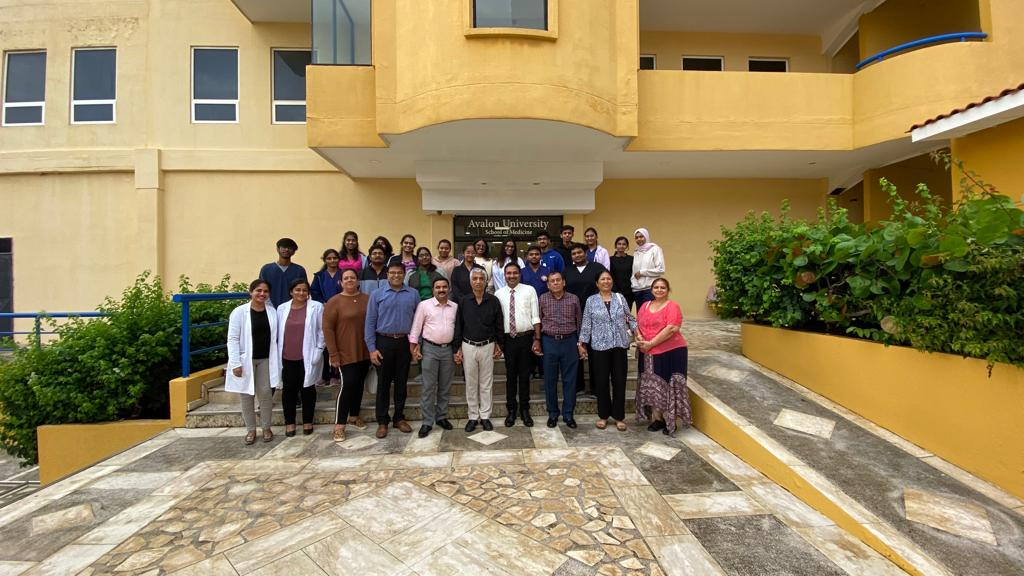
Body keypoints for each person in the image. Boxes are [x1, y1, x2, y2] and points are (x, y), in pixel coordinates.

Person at [365, 261, 420, 438]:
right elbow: (370, 323)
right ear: (387, 275)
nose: (396, 276)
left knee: (401, 383)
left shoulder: (413, 294)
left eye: (399, 273)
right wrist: (372, 348)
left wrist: (415, 344)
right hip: (383, 342)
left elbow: (418, 322)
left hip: (404, 342)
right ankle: (382, 421)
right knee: (383, 384)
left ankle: (399, 418)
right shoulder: (377, 294)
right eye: (393, 273)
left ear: (404, 275)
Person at [578, 271, 636, 431]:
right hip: (599, 347)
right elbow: (586, 323)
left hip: (619, 345)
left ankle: (619, 416)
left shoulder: (620, 297)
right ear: (597, 283)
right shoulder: (591, 300)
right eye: (602, 279)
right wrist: (582, 343)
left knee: (619, 381)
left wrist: (638, 333)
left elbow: (630, 318)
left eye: (608, 278)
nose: (606, 281)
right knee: (601, 382)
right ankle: (603, 415)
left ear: (612, 281)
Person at [226, 279, 281, 444]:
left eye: (265, 291)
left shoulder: (272, 312)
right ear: (251, 292)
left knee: (265, 394)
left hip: (265, 359)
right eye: (258, 291)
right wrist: (236, 363)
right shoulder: (239, 312)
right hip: (246, 359)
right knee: (246, 395)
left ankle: (266, 427)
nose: (262, 294)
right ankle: (250, 430)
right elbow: (233, 338)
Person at [635, 277, 691, 436]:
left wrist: (651, 343)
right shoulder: (645, 305)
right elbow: (637, 325)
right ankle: (657, 419)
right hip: (647, 352)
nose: (659, 290)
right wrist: (639, 338)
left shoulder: (672, 306)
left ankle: (670, 420)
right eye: (656, 287)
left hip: (670, 351)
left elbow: (672, 328)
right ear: (651, 290)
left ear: (668, 290)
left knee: (667, 386)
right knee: (653, 387)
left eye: (663, 288)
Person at [453, 267, 504, 432]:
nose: (478, 282)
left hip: (488, 345)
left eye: (481, 279)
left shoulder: (493, 301)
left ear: (486, 281)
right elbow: (458, 326)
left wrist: (499, 344)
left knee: (486, 383)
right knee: (471, 383)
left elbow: (498, 325)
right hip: (468, 345)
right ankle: (473, 416)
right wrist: (457, 348)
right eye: (474, 279)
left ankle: (485, 416)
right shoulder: (463, 301)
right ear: (470, 281)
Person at [324, 269, 370, 442]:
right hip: (345, 352)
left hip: (365, 350)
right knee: (348, 385)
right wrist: (333, 354)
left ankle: (354, 416)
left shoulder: (367, 299)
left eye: (352, 277)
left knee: (359, 384)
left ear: (358, 281)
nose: (349, 280)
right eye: (346, 278)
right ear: (340, 282)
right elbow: (328, 329)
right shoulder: (334, 302)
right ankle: (339, 425)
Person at [409, 277, 458, 438]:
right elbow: (416, 327)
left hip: (448, 350)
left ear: (449, 289)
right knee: (428, 387)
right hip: (430, 349)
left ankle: (441, 417)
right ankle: (427, 421)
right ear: (433, 289)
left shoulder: (455, 307)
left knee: (445, 386)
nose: (441, 290)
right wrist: (414, 346)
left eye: (444, 287)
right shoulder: (424, 306)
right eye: (438, 287)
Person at [276, 278, 325, 437]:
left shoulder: (316, 307)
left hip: (308, 356)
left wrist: (319, 349)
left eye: (304, 290)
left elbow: (321, 330)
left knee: (308, 389)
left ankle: (307, 421)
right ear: (291, 291)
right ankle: (289, 422)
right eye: (297, 290)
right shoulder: (282, 308)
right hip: (287, 356)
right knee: (289, 390)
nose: (301, 293)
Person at [533, 272, 582, 429]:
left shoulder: (574, 299)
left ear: (564, 282)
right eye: (552, 281)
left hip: (570, 341)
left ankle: (568, 414)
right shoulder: (543, 299)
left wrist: (581, 343)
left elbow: (579, 322)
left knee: (570, 380)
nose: (555, 283)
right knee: (550, 380)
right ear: (548, 285)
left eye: (558, 280)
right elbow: (538, 321)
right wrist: (538, 340)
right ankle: (553, 413)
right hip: (549, 341)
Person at [494, 262, 540, 427]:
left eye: (515, 273)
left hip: (526, 338)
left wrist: (537, 338)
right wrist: (498, 343)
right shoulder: (498, 294)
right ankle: (511, 410)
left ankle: (525, 410)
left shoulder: (529, 290)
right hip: (508, 340)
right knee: (511, 376)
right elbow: (497, 321)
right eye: (508, 273)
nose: (512, 276)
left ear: (519, 274)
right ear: (504, 275)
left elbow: (535, 316)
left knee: (525, 375)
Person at [564, 244, 606, 396]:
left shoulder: (597, 268)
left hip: (596, 314)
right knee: (576, 350)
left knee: (596, 351)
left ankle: (596, 387)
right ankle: (578, 386)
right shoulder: (567, 271)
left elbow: (606, 286)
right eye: (574, 253)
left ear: (586, 253)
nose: (577, 255)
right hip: (573, 315)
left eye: (579, 252)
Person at [310, 249, 342, 386]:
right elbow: (313, 291)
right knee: (326, 344)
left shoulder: (343, 274)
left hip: (340, 312)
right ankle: (325, 375)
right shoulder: (319, 276)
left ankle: (336, 373)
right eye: (329, 258)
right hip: (324, 311)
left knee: (338, 342)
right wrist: (323, 302)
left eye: (335, 258)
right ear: (325, 260)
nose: (332, 260)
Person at [259, 238, 308, 307]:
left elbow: (303, 291)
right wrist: (268, 307)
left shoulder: (299, 270)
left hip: (293, 309)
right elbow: (261, 289)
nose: (286, 249)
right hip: (269, 308)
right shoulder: (266, 269)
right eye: (284, 247)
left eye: (290, 248)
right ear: (277, 249)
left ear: (294, 252)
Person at [631, 228, 665, 308]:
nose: (639, 239)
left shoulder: (655, 249)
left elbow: (661, 269)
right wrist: (633, 282)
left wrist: (642, 272)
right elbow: (634, 271)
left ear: (646, 236)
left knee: (650, 316)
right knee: (640, 316)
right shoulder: (636, 251)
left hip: (650, 289)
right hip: (637, 289)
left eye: (641, 236)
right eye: (636, 237)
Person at [610, 236, 635, 311]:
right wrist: (615, 291)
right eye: (619, 244)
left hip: (629, 293)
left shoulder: (632, 259)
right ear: (615, 246)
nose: (621, 246)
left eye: (624, 244)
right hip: (614, 293)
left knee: (627, 316)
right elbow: (610, 276)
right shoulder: (610, 259)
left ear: (627, 246)